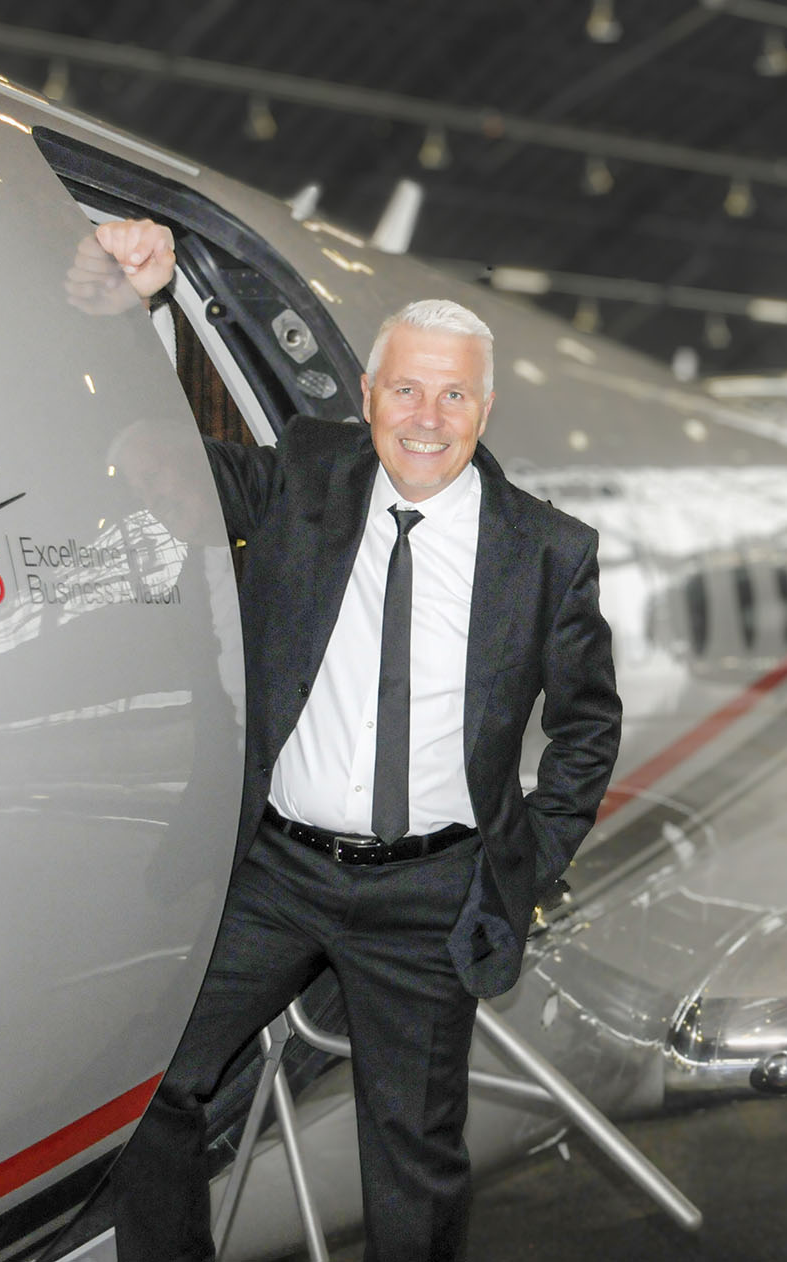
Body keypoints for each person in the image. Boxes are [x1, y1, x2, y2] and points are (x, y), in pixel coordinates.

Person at [91, 220, 622, 1261]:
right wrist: (145, 309)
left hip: (430, 894)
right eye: (406, 389)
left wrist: (522, 861)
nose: (427, 418)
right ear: (370, 395)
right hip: (278, 873)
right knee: (153, 1086)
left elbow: (587, 727)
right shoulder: (307, 475)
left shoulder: (547, 551)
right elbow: (172, 467)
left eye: (454, 394)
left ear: (485, 408)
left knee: (411, 1154)